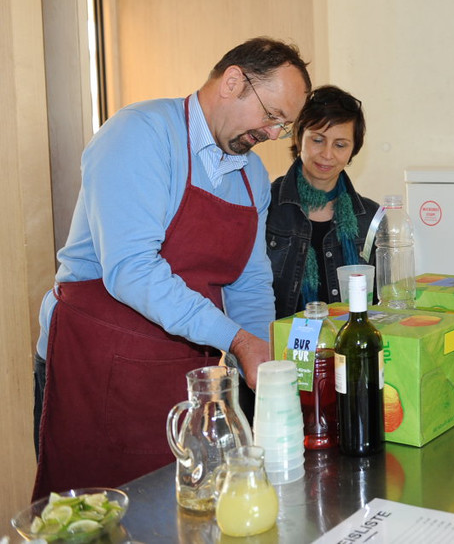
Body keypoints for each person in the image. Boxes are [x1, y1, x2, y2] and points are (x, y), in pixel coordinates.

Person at [32, 37, 311, 498]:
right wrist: (237, 341)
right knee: (93, 513)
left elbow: (249, 279)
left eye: (283, 125)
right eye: (271, 115)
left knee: (178, 506)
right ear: (233, 82)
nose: (273, 133)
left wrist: (261, 357)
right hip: (95, 365)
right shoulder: (139, 135)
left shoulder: (252, 176)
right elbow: (132, 270)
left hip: (182, 372)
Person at [266, 85, 379, 317]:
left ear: (353, 150)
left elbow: (380, 304)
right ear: (299, 138)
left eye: (340, 145)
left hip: (348, 338)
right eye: (318, 140)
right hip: (281, 338)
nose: (327, 154)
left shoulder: (370, 218)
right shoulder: (265, 206)